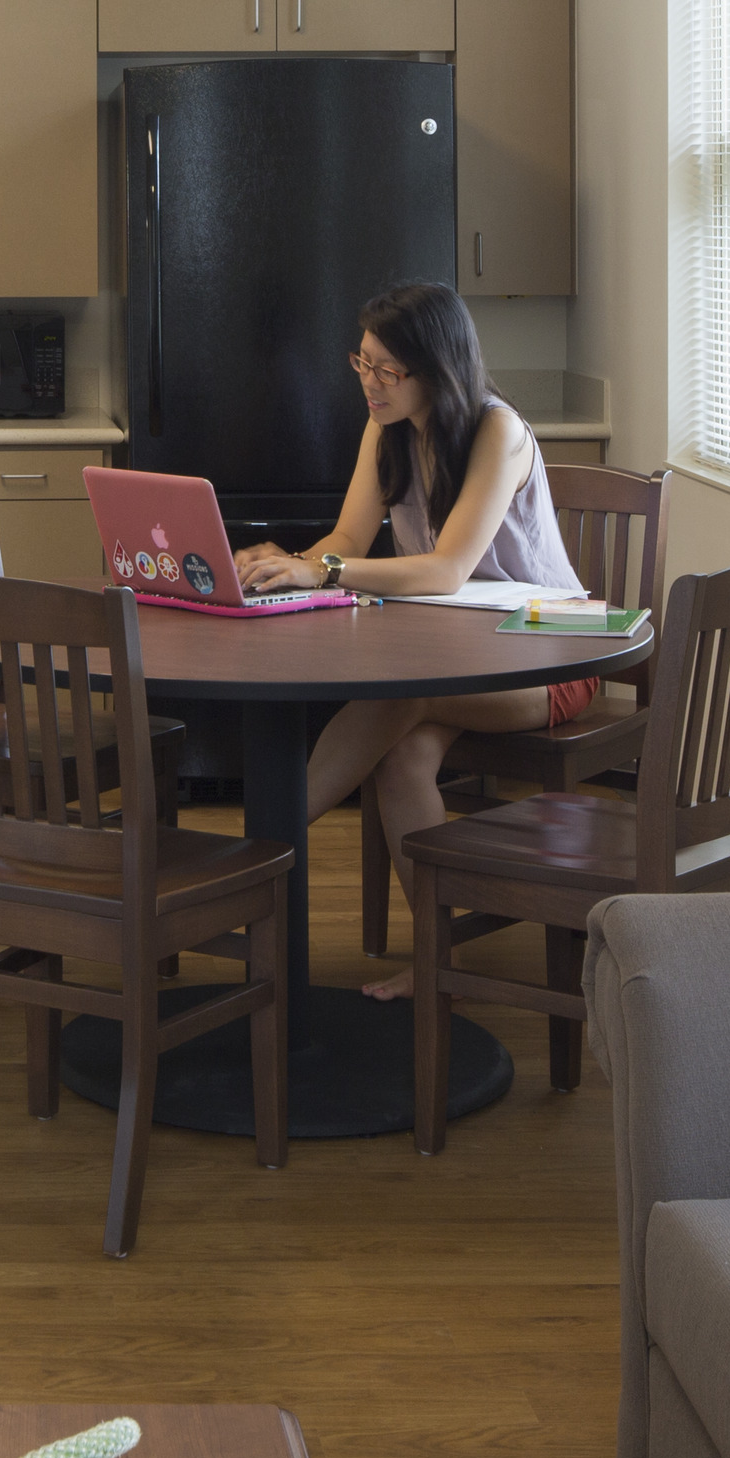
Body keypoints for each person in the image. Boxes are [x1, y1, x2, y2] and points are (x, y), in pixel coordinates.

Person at [236, 282, 590, 999]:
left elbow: (447, 566)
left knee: (405, 695)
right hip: (455, 656)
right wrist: (286, 568)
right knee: (402, 756)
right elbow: (345, 539)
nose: (369, 382)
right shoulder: (386, 425)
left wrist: (321, 571)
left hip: (549, 653)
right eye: (361, 363)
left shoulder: (498, 431)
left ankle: (253, 849)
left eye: (388, 370)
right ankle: (439, 958)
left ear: (439, 369)